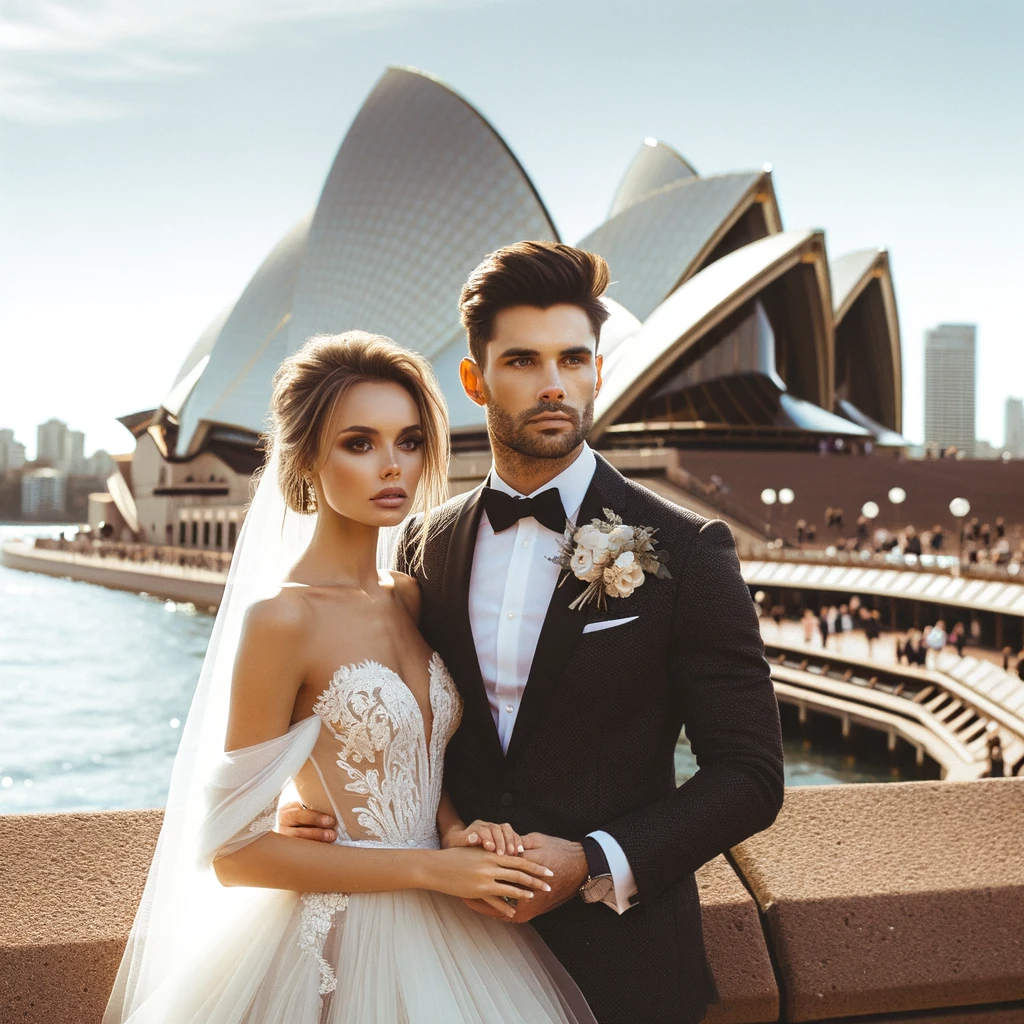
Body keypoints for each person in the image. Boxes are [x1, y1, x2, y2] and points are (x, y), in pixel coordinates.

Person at [282, 242, 784, 1024]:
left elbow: (751, 775)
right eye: (522, 360)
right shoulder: (422, 547)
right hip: (442, 955)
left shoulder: (688, 551)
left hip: (627, 968)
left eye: (573, 359)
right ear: (476, 379)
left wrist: (592, 860)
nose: (554, 384)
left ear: (598, 372)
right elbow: (383, 720)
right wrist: (312, 804)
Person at [104, 333, 595, 1024]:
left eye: (410, 441)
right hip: (341, 946)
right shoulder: (283, 617)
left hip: (455, 928)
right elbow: (236, 853)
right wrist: (429, 867)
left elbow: (417, 760)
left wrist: (452, 831)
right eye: (359, 443)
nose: (392, 466)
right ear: (306, 457)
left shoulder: (408, 595)